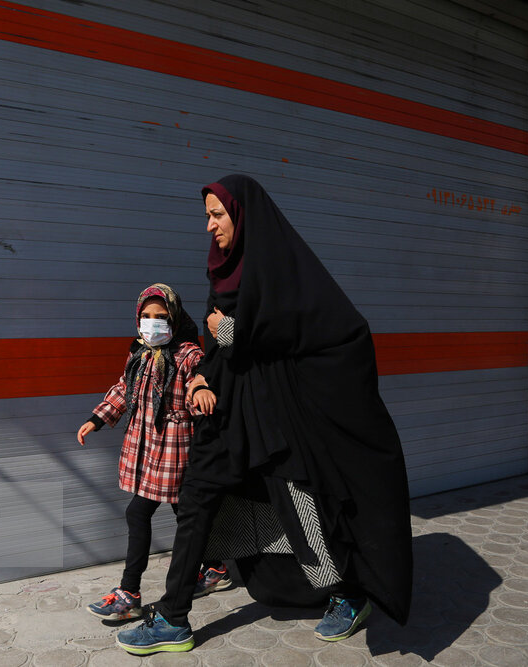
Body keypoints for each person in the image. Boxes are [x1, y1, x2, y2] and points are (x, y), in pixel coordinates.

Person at [116, 175, 413, 655]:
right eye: (207, 216)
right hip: (228, 413)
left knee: (301, 506)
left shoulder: (281, 268)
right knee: (196, 498)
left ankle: (349, 592)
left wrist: (233, 330)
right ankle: (173, 619)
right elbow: (213, 346)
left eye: (218, 215)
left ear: (244, 215)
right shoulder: (222, 273)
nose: (210, 226)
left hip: (277, 416)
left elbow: (329, 332)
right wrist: (199, 379)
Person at [78, 283, 230, 621]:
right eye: (145, 316)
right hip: (146, 444)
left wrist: (201, 392)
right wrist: (97, 419)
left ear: (174, 318)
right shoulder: (139, 353)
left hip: (175, 447)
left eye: (160, 317)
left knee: (140, 512)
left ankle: (129, 591)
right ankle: (216, 567)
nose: (152, 323)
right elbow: (122, 388)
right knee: (184, 515)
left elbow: (201, 381)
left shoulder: (189, 354)